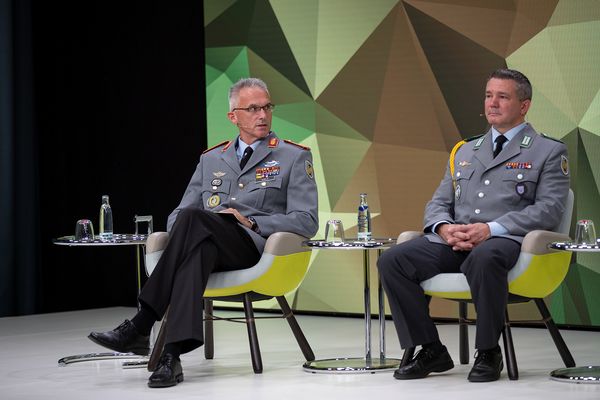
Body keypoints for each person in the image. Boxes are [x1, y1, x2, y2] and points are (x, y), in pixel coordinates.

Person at [88, 78, 319, 388]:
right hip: (210, 244)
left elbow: (306, 220)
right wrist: (198, 226)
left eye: (267, 107)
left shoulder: (293, 156)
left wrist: (253, 223)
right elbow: (178, 216)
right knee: (197, 243)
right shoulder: (211, 159)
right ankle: (171, 356)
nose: (262, 115)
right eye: (252, 109)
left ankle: (142, 323)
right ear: (233, 116)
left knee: (196, 221)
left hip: (254, 249)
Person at [377, 68, 570, 382]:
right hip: (455, 240)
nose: (492, 103)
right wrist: (443, 228)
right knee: (393, 260)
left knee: (485, 256)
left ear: (524, 105)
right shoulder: (464, 150)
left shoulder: (548, 151)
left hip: (508, 243)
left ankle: (488, 351)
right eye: (489, 95)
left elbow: (549, 210)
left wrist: (490, 229)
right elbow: (439, 201)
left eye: (503, 97)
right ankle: (430, 348)